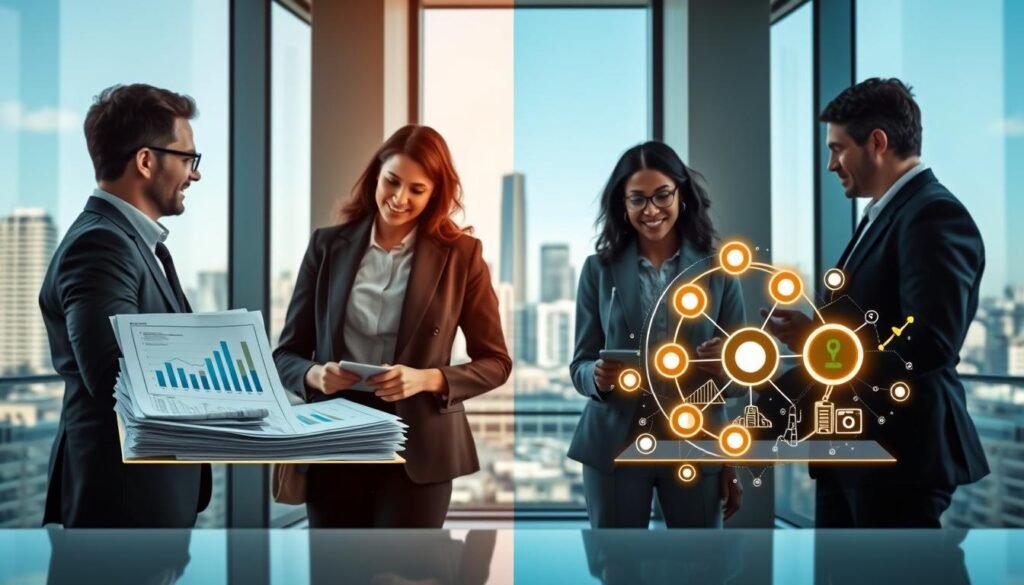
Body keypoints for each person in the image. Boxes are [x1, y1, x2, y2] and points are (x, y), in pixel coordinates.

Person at [763, 78, 989, 527]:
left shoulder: (931, 214)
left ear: (877, 143)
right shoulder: (888, 214)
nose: (830, 165)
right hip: (854, 454)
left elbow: (928, 341)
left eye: (837, 149)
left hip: (895, 458)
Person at [273, 124, 511, 528]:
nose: (399, 199)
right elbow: (286, 355)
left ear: (436, 192)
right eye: (392, 182)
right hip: (337, 441)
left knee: (407, 572)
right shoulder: (327, 246)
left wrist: (426, 379)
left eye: (417, 190)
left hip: (418, 448)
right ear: (375, 176)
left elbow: (495, 362)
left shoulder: (462, 256)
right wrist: (316, 374)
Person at [39, 84, 210, 527]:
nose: (195, 174)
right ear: (146, 160)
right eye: (188, 158)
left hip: (146, 501)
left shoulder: (132, 242)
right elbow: (115, 375)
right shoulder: (101, 244)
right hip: (120, 508)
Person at [568, 141, 744, 528]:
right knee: (616, 566)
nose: (650, 210)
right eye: (637, 200)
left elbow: (743, 377)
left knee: (701, 567)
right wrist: (595, 376)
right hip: (615, 442)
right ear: (623, 206)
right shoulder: (598, 270)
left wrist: (724, 367)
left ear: (682, 194)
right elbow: (579, 364)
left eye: (662, 195)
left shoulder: (719, 272)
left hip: (695, 442)